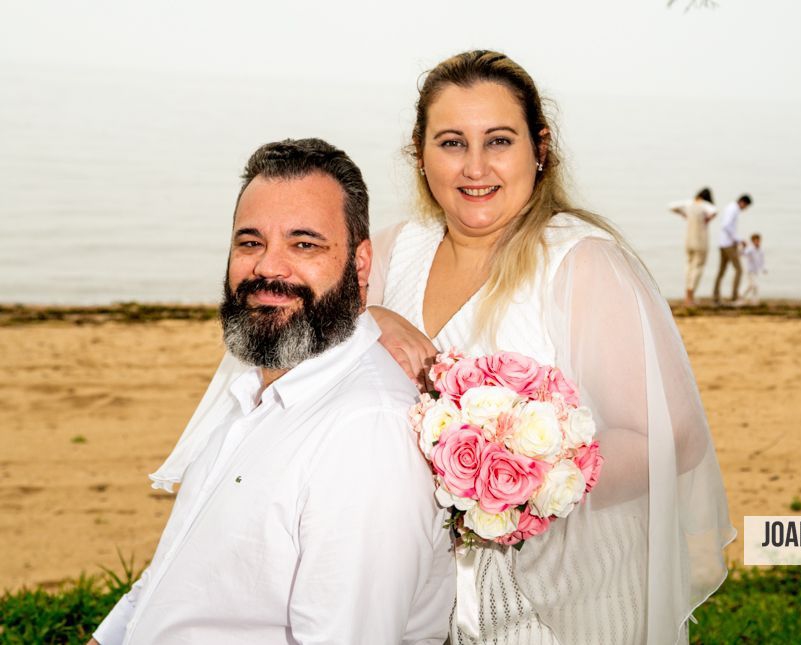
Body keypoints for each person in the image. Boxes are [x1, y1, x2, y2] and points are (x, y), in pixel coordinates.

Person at [368, 50, 734, 645]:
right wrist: (373, 319)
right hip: (419, 604)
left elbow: (677, 437)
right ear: (420, 153)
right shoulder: (391, 253)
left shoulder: (582, 262)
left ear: (540, 149)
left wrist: (521, 481)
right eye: (452, 142)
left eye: (500, 141)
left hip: (562, 605)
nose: (475, 167)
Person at [90, 138, 453, 645]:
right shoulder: (250, 387)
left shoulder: (366, 432)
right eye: (250, 242)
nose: (267, 267)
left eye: (304, 244)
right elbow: (173, 575)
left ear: (361, 264)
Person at [669, 187, 717, 306]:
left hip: (688, 241)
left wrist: (684, 214)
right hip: (701, 241)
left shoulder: (689, 204)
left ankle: (687, 296)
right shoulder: (704, 205)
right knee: (698, 267)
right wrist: (708, 218)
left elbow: (671, 206)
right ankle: (690, 296)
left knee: (689, 266)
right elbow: (714, 210)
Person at [712, 194, 753, 304]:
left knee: (721, 271)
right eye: (746, 206)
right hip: (728, 244)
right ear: (743, 202)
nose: (745, 209)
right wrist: (738, 239)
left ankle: (716, 297)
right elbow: (726, 226)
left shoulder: (729, 207)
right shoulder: (733, 209)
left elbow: (725, 225)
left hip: (723, 243)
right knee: (739, 270)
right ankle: (734, 296)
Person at [741, 233, 767, 305]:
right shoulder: (750, 249)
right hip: (749, 270)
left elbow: (762, 261)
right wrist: (743, 247)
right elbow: (743, 254)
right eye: (755, 240)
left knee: (750, 286)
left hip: (755, 271)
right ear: (753, 241)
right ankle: (754, 302)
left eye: (758, 240)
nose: (757, 242)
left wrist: (764, 269)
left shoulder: (761, 250)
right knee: (755, 286)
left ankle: (741, 297)